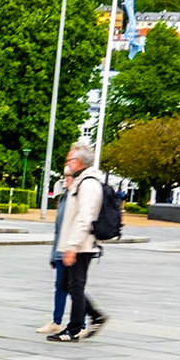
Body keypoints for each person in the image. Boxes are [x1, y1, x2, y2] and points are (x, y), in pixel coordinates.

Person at [48, 142, 108, 342]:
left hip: (82, 245)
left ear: (79, 161)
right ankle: (94, 316)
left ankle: (74, 329)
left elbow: (85, 217)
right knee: (68, 284)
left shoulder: (89, 184)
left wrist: (72, 246)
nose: (66, 164)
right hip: (75, 243)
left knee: (75, 286)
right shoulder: (80, 181)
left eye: (69, 160)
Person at [36, 191, 69, 335]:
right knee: (61, 287)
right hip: (62, 251)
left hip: (73, 251)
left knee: (75, 288)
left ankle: (82, 322)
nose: (66, 181)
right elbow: (58, 231)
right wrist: (54, 255)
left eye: (68, 179)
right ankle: (57, 321)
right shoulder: (64, 198)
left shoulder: (78, 197)